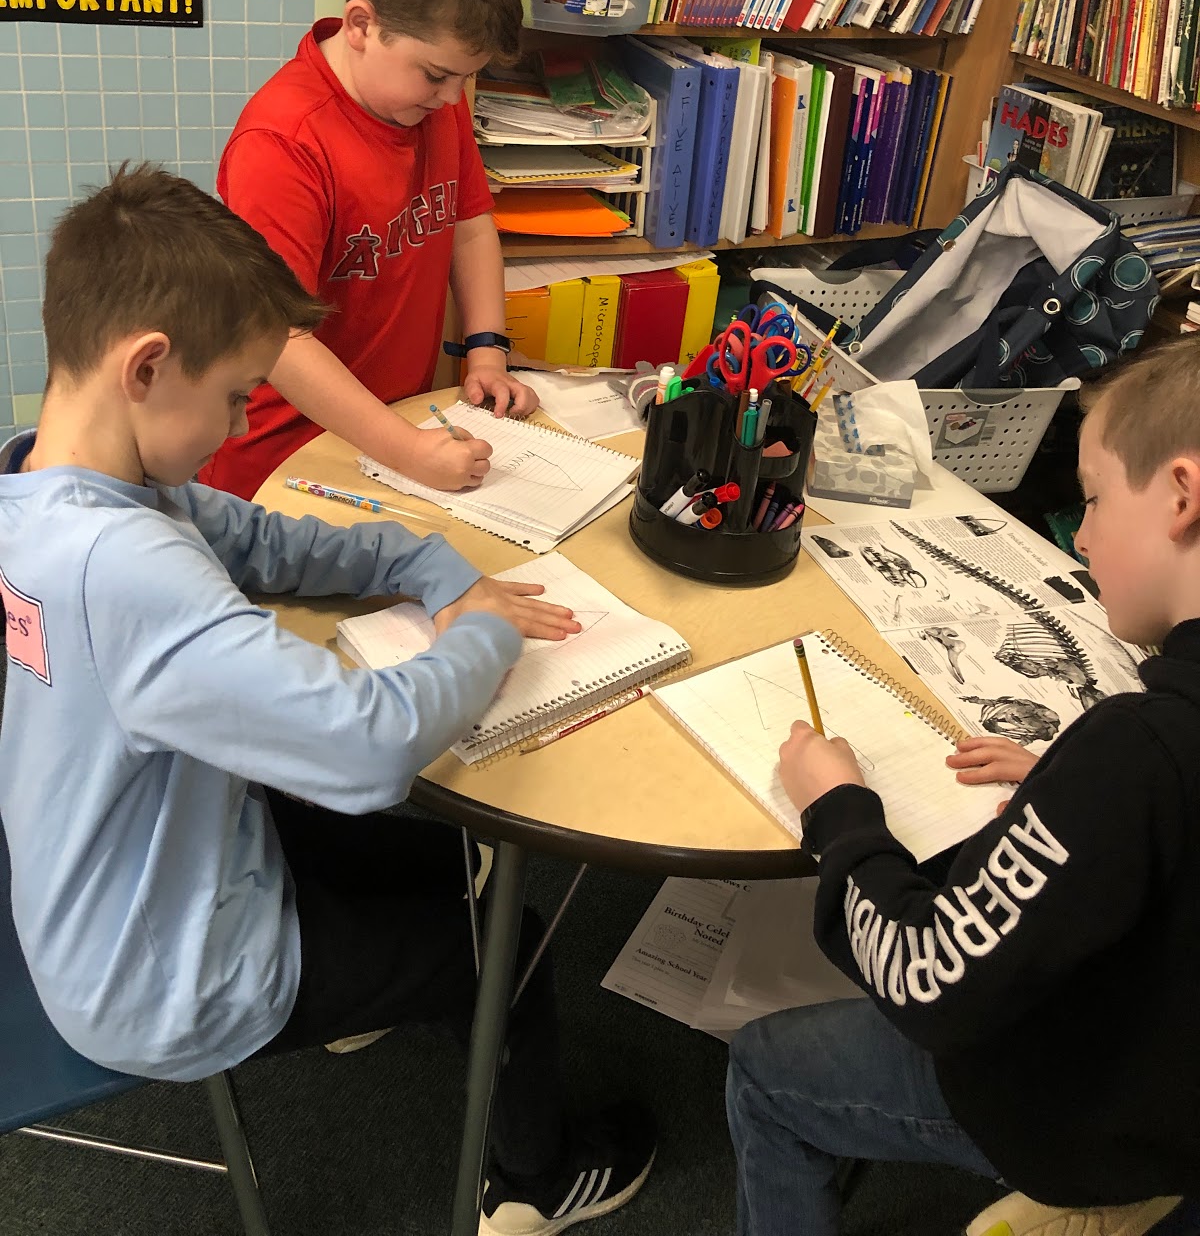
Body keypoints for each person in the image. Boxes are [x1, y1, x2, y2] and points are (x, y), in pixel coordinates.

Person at [0, 166, 655, 1236]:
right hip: (166, 977)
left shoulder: (46, 482)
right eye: (235, 396)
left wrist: (433, 567)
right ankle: (536, 1183)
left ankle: (377, 992)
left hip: (117, 869)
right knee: (509, 943)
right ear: (148, 366)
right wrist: (485, 630)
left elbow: (269, 541)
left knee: (444, 860)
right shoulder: (125, 571)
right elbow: (368, 746)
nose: (238, 423)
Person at [726, 336, 1200, 1236]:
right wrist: (1073, 787)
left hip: (1100, 1118)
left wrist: (838, 811)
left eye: (1095, 498)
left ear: (1181, 495)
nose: (1083, 534)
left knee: (764, 1069)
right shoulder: (1136, 761)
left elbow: (927, 976)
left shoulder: (1136, 754)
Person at [199, 0, 539, 503]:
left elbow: (468, 224)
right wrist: (409, 451)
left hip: (395, 433)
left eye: (467, 78)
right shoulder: (282, 143)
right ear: (361, 24)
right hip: (282, 461)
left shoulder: (433, 103)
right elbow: (279, 338)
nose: (452, 98)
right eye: (437, 75)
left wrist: (487, 352)